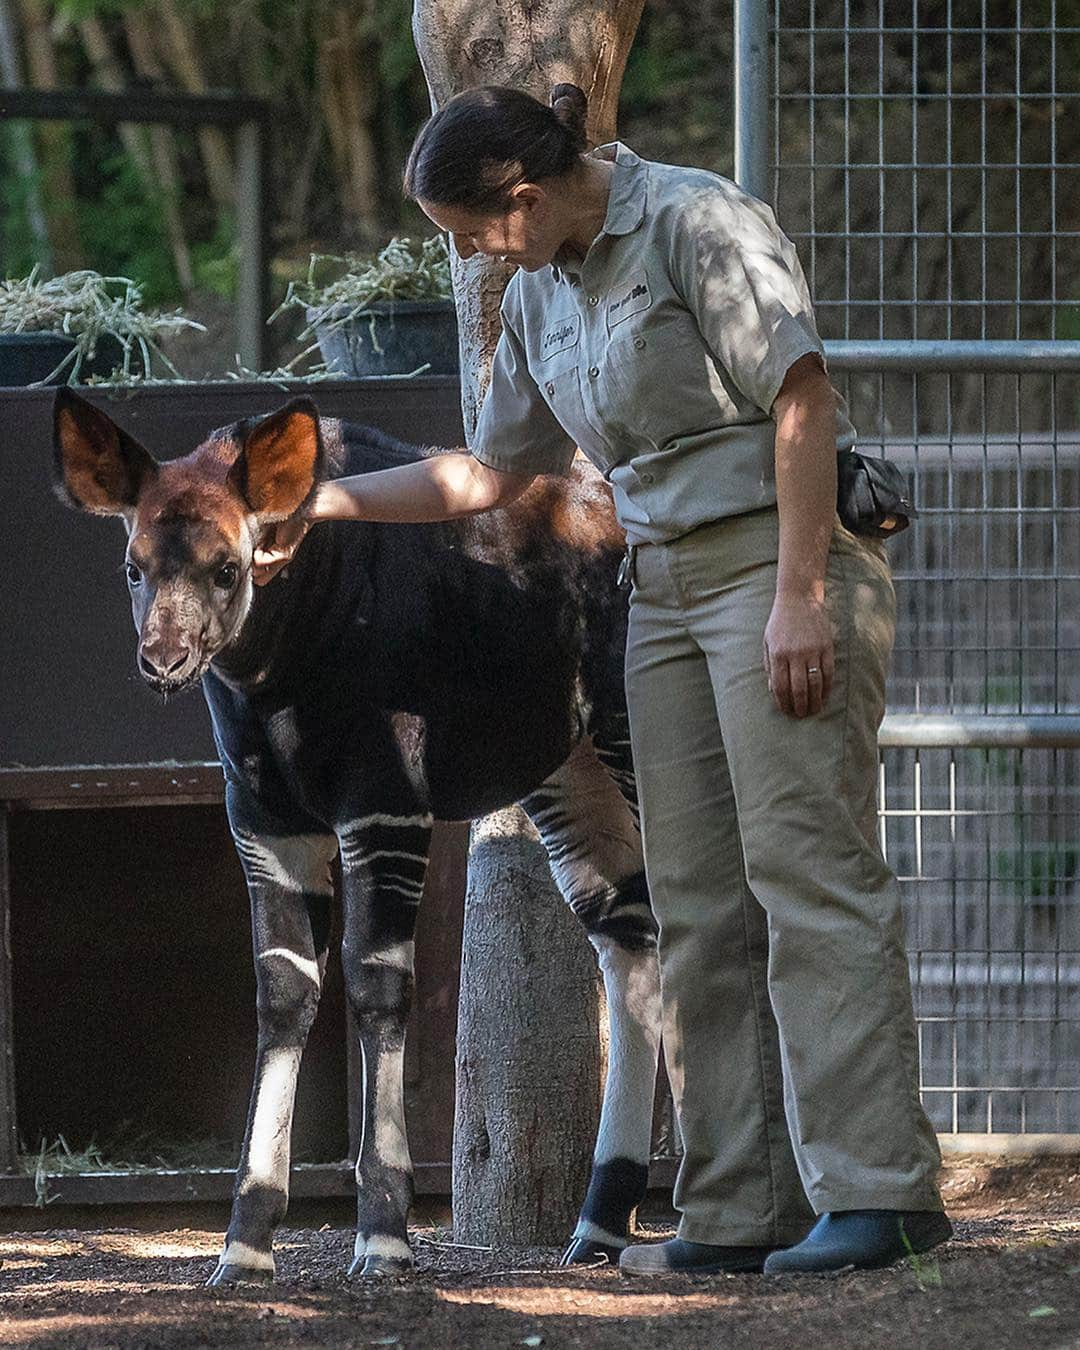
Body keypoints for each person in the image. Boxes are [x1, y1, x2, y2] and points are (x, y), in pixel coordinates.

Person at [254, 84, 952, 1277]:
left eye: (470, 231)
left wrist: (800, 596)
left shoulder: (696, 224)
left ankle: (883, 1191)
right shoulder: (537, 294)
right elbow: (491, 473)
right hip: (662, 587)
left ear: (521, 199)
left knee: (805, 867)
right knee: (694, 897)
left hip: (772, 561)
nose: (469, 254)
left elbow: (802, 399)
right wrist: (317, 502)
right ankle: (739, 1208)